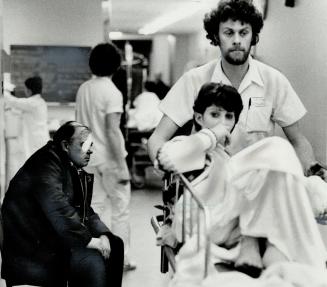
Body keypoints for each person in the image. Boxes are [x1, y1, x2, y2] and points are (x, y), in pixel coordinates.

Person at [157, 82, 327, 277]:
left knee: (279, 177)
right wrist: (211, 135)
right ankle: (259, 243)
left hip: (229, 221)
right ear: (199, 118)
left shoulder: (225, 156)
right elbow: (165, 159)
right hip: (203, 220)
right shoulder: (188, 145)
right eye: (215, 114)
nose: (223, 122)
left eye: (229, 116)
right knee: (274, 148)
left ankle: (267, 248)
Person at [148, 0, 327, 181]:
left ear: (253, 35)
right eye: (228, 33)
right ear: (216, 37)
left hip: (257, 187)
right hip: (207, 187)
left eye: (243, 33)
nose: (236, 40)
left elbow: (297, 140)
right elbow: (157, 138)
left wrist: (314, 174)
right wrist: (168, 171)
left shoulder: (274, 81)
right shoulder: (194, 80)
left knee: (277, 149)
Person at [1, 121, 124, 287]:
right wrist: (89, 240)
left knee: (113, 246)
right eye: (83, 145)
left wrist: (104, 234)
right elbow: (57, 206)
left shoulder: (66, 163)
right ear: (66, 145)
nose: (90, 150)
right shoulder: (46, 162)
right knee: (93, 259)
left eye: (91, 145)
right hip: (30, 255)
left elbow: (85, 211)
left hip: (48, 245)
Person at [75, 42, 136, 271]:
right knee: (121, 209)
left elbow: (78, 126)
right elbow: (112, 130)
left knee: (94, 209)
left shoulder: (83, 89)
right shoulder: (112, 92)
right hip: (109, 159)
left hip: (86, 158)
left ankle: (97, 256)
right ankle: (122, 258)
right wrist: (122, 165)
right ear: (116, 65)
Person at [4, 76, 49, 159]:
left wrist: (4, 89)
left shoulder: (32, 103)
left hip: (36, 142)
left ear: (29, 90)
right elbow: (20, 110)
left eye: (25, 89)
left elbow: (13, 101)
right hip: (38, 141)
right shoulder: (40, 102)